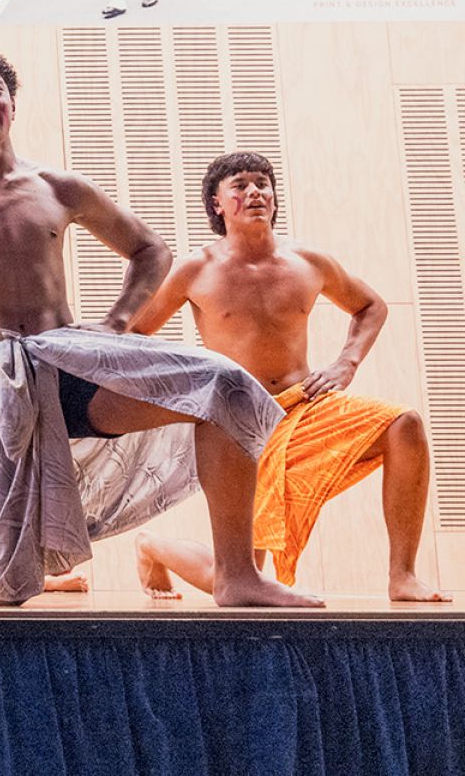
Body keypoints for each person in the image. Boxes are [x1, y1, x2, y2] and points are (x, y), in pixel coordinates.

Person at [0, 48, 309, 607]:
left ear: (12, 105)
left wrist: (117, 323)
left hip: (71, 362)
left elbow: (150, 249)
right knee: (6, 584)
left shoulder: (58, 187)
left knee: (224, 389)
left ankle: (236, 574)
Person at [129, 152, 449, 602]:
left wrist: (346, 362)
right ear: (218, 204)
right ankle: (154, 546)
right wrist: (186, 388)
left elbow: (370, 306)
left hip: (306, 406)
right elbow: (136, 333)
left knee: (404, 425)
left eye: (262, 183)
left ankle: (403, 576)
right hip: (241, 424)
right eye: (240, 186)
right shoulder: (194, 269)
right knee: (239, 575)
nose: (255, 192)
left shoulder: (309, 261)